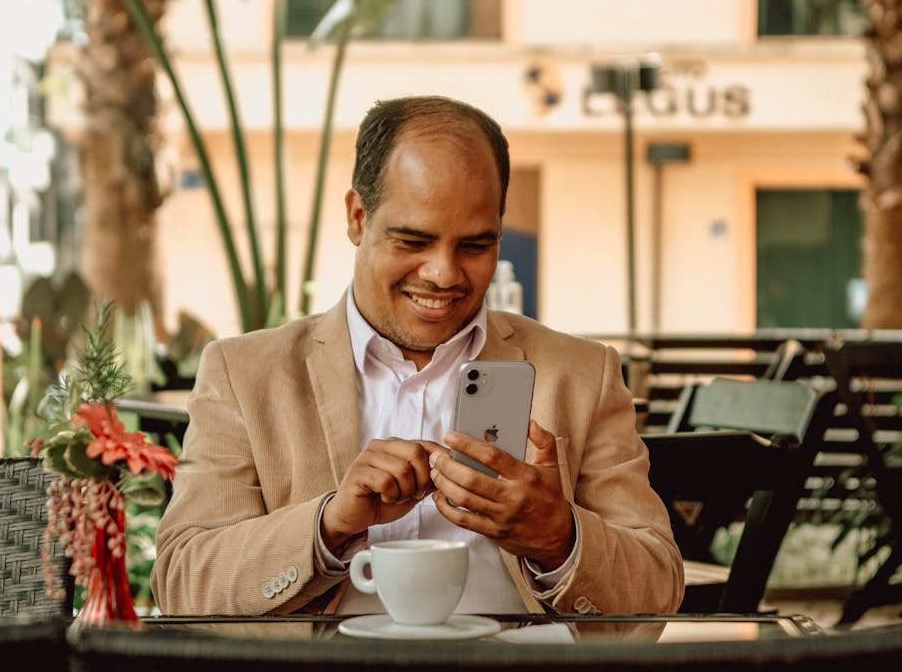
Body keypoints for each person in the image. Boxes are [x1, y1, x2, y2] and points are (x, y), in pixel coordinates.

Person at [152, 95, 684, 616]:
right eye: (413, 241)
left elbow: (657, 586)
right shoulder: (243, 374)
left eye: (476, 246)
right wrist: (328, 525)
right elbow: (181, 582)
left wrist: (557, 536)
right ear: (358, 217)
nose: (444, 274)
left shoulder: (581, 375)